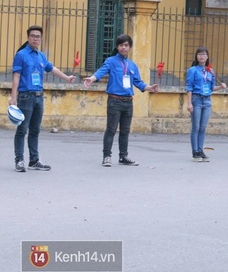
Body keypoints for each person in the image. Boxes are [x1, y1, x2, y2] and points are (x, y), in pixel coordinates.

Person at [83, 34, 159, 167]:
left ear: (129, 47)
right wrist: (92, 78)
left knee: (125, 131)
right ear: (117, 47)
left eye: (126, 45)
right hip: (115, 101)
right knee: (111, 129)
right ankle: (106, 156)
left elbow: (138, 82)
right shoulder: (111, 61)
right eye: (121, 45)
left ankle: (123, 156)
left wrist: (150, 88)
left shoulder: (132, 65)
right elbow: (102, 71)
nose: (123, 47)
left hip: (128, 102)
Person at [10, 25, 75, 172]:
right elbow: (16, 76)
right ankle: (19, 160)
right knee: (22, 129)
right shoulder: (21, 55)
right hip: (25, 96)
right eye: (33, 36)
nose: (35, 38)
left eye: (38, 36)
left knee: (35, 130)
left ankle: (34, 160)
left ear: (41, 38)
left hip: (39, 97)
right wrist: (13, 97)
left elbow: (51, 68)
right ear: (28, 37)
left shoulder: (41, 56)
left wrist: (67, 78)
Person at [186, 47, 227, 162]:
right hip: (196, 99)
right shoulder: (192, 70)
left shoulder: (210, 71)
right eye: (199, 54)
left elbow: (211, 88)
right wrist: (189, 103)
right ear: (196, 56)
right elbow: (189, 87)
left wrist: (220, 87)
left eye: (204, 54)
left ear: (207, 57)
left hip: (207, 100)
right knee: (196, 127)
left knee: (203, 127)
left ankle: (200, 149)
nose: (201, 56)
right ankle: (195, 151)